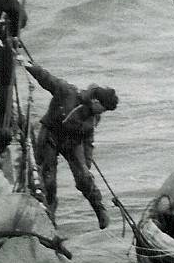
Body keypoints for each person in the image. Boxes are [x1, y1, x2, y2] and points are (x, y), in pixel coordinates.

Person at [19, 57, 119, 230]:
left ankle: (99, 209)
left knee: (84, 178)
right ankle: (49, 218)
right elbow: (48, 79)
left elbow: (88, 139)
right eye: (103, 108)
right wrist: (28, 66)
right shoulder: (68, 92)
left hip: (73, 142)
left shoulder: (94, 117)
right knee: (48, 180)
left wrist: (86, 164)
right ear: (96, 101)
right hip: (51, 135)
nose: (102, 113)